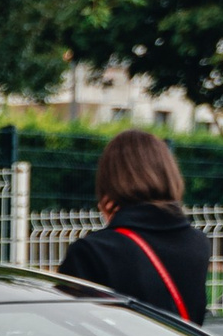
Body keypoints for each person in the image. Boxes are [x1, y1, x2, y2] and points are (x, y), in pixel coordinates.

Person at [57, 129, 212, 321]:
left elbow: (69, 328)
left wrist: (116, 224)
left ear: (110, 182)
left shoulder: (93, 251)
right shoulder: (198, 243)